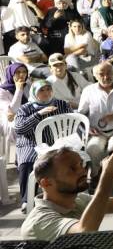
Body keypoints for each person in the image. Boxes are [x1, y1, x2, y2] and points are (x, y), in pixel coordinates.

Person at [21, 144, 113, 241]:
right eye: (72, 168)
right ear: (46, 183)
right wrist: (108, 174)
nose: (82, 171)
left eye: (81, 164)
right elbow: (84, 231)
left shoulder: (78, 200)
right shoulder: (39, 222)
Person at [13, 80, 73, 208]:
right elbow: (19, 129)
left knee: (64, 159)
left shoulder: (61, 104)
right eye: (41, 90)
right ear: (34, 92)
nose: (46, 93)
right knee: (27, 162)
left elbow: (72, 121)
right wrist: (39, 114)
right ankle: (27, 200)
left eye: (48, 89)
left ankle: (64, 195)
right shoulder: (25, 108)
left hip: (55, 142)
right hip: (30, 143)